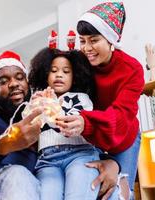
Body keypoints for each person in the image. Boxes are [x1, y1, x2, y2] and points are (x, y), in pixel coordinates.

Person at [0, 50, 121, 200]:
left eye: (20, 77)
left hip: (50, 177)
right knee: (18, 174)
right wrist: (7, 143)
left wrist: (112, 164)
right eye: (2, 81)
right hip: (11, 179)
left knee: (111, 190)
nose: (14, 83)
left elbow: (76, 139)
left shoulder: (42, 105)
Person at [56, 2, 145, 199]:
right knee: (91, 188)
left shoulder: (132, 70)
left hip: (123, 140)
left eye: (94, 40)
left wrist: (86, 122)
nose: (87, 48)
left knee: (120, 192)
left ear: (111, 39)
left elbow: (121, 117)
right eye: (82, 41)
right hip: (89, 136)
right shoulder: (79, 63)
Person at [27, 47, 119, 200]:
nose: (59, 75)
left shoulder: (81, 98)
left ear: (74, 77)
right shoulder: (41, 98)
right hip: (47, 160)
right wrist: (33, 106)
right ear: (46, 76)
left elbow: (71, 125)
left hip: (79, 154)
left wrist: (53, 109)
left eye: (66, 71)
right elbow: (29, 125)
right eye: (54, 70)